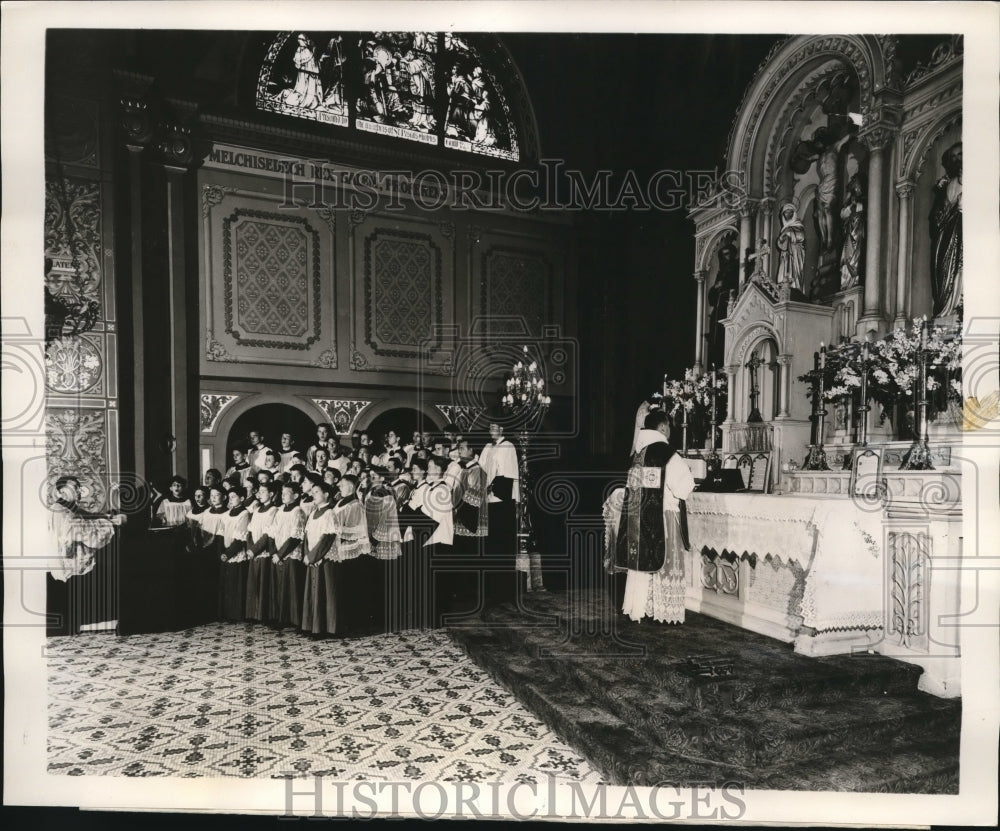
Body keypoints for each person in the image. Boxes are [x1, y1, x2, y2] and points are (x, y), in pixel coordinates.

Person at [615, 409, 695, 624]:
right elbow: (684, 487)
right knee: (663, 561)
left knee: (641, 563)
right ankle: (662, 612)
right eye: (668, 426)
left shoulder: (639, 454)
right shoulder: (667, 453)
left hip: (639, 518)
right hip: (663, 518)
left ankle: (638, 608)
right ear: (662, 427)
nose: (670, 430)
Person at [46, 475, 126, 635]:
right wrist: (109, 524)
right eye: (74, 487)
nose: (79, 491)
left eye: (78, 487)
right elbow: (87, 534)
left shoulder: (67, 507)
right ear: (62, 491)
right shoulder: (62, 510)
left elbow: (88, 517)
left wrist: (107, 517)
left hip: (67, 561)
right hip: (70, 562)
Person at [479, 421, 520, 605]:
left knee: (502, 546)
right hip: (488, 501)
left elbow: (507, 475)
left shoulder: (508, 446)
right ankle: (492, 590)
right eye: (490, 428)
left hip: (501, 502)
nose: (491, 431)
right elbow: (481, 470)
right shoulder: (488, 447)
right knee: (490, 546)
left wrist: (491, 488)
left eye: (495, 428)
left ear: (502, 429)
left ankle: (504, 592)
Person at [299, 476, 339, 637]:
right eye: (313, 492)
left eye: (317, 492)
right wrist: (307, 555)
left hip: (325, 558)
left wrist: (314, 556)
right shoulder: (314, 512)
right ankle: (311, 626)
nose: (313, 495)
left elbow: (327, 539)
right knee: (312, 593)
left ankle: (326, 629)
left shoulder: (329, 513)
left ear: (327, 495)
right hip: (313, 558)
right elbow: (307, 536)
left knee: (325, 592)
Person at [268, 481, 307, 630]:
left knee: (291, 587)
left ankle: (294, 620)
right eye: (282, 493)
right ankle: (280, 618)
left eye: (286, 493)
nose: (282, 495)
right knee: (278, 587)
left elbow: (295, 537)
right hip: (278, 554)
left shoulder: (298, 511)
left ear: (296, 495)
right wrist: (274, 553)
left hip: (290, 554)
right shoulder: (279, 511)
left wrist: (281, 554)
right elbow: (271, 533)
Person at [930, 142, 962, 317]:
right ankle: (949, 308)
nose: (957, 159)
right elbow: (938, 217)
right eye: (953, 157)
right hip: (949, 236)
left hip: (968, 237)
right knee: (947, 271)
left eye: (960, 154)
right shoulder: (948, 184)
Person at [244, 481, 279, 623]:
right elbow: (250, 531)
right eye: (259, 491)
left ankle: (264, 615)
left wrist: (256, 549)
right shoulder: (257, 510)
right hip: (254, 552)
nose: (259, 494)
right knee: (254, 583)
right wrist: (250, 548)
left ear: (271, 494)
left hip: (264, 552)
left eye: (263, 491)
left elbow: (268, 534)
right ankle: (253, 614)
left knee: (264, 583)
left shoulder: (274, 510)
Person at [218, 488, 251, 622]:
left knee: (236, 585)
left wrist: (229, 553)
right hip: (225, 553)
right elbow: (220, 534)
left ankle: (235, 614)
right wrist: (221, 553)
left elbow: (241, 537)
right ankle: (225, 613)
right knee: (226, 585)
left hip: (236, 553)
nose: (230, 499)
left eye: (234, 497)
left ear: (242, 498)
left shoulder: (244, 514)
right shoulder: (225, 514)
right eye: (229, 497)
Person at [839, 176, 865, 290]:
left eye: (858, 185)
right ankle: (846, 282)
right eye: (855, 186)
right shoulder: (850, 203)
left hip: (858, 232)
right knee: (846, 257)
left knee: (856, 255)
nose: (857, 188)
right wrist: (851, 205)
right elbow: (843, 214)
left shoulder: (863, 199)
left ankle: (855, 279)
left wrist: (856, 205)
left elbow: (864, 210)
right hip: (849, 232)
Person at [775, 202, 806, 293]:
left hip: (796, 254)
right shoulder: (784, 228)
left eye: (790, 212)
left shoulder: (798, 225)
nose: (787, 214)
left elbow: (801, 237)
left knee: (795, 273)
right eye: (785, 213)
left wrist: (790, 233)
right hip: (785, 255)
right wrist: (781, 238)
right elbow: (781, 245)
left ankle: (795, 288)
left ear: (793, 213)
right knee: (784, 272)